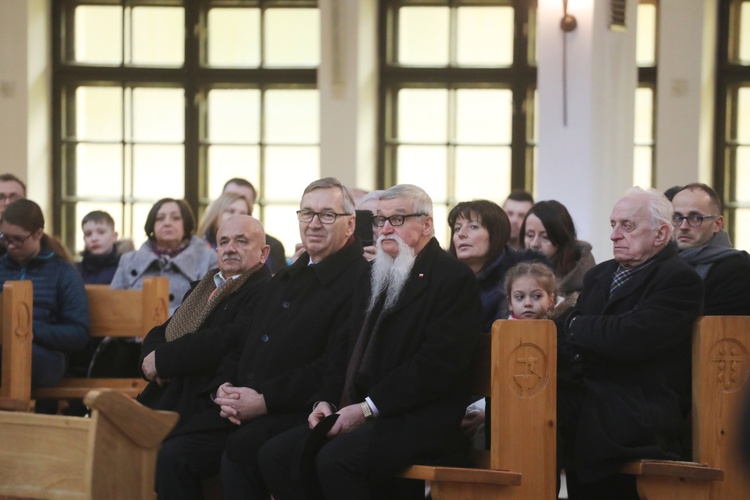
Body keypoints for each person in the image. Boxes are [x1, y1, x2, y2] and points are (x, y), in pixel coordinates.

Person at [258, 184, 481, 500]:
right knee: (276, 454)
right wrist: (326, 401)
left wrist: (367, 409)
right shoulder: (371, 274)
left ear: (427, 224)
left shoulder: (451, 279)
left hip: (419, 418)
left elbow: (437, 366)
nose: (386, 228)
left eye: (398, 219)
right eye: (379, 220)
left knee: (336, 460)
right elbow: (343, 351)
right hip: (366, 410)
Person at [154, 177, 368, 500]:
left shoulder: (359, 281)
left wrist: (263, 401)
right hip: (245, 405)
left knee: (244, 452)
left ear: (350, 224)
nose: (314, 223)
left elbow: (332, 367)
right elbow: (245, 342)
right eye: (307, 213)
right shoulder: (285, 276)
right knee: (172, 454)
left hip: (298, 409)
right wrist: (223, 389)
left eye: (327, 215)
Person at [556, 187, 704, 499]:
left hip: (640, 404)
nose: (614, 235)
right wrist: (581, 330)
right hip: (592, 392)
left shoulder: (679, 279)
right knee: (529, 407)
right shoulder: (599, 275)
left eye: (627, 226)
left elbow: (631, 337)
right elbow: (572, 340)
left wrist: (575, 322)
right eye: (613, 224)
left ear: (661, 234)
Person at [138, 215, 272, 425]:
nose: (230, 248)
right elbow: (164, 330)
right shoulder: (205, 286)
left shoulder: (265, 290)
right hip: (169, 389)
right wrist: (150, 357)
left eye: (241, 241)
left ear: (263, 253)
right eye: (224, 242)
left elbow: (229, 337)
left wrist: (164, 360)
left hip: (204, 398)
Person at [0, 199, 89, 392]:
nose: (10, 246)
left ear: (38, 233)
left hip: (47, 356)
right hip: (4, 347)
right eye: (5, 238)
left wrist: (30, 332)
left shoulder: (63, 272)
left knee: (12, 354)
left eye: (18, 239)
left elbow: (79, 333)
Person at [448, 199, 547, 332]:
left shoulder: (521, 280)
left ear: (496, 234)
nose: (461, 234)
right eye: (457, 228)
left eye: (473, 227)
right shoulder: (444, 279)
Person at [111, 198, 218, 315]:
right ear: (152, 225)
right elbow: (114, 309)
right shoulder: (128, 261)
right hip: (135, 332)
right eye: (160, 218)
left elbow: (212, 308)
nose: (167, 223)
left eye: (176, 218)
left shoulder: (208, 259)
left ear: (186, 224)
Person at [671, 183, 750, 315]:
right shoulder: (661, 260)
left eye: (696, 218)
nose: (684, 226)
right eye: (677, 217)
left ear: (717, 224)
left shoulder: (736, 267)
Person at [521, 200, 595, 296]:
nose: (534, 244)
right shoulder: (515, 271)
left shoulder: (584, 278)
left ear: (561, 238)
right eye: (530, 235)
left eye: (545, 237)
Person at [223, 178, 287, 274]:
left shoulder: (273, 246)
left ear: (250, 208)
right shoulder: (201, 243)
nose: (237, 204)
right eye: (230, 199)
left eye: (243, 201)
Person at [76, 210, 134, 285]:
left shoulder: (128, 269)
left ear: (114, 236)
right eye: (88, 234)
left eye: (101, 232)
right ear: (84, 239)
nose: (94, 238)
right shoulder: (76, 271)